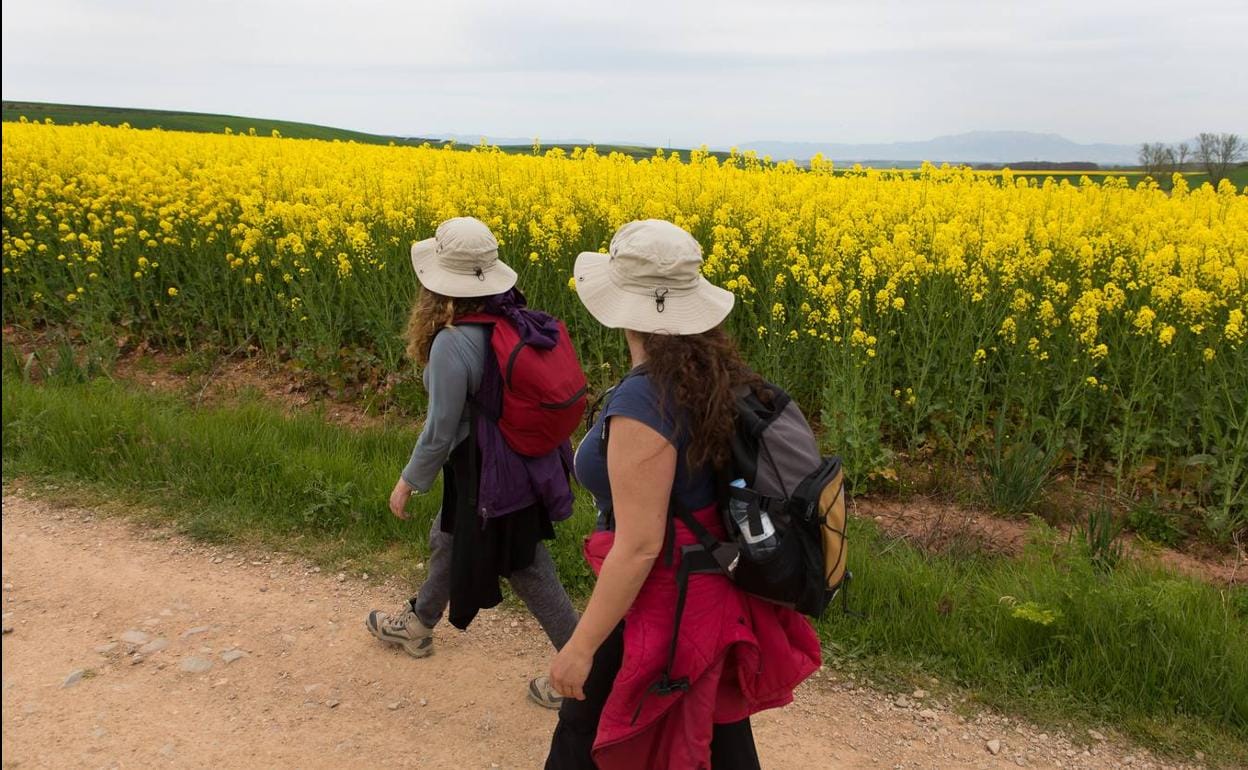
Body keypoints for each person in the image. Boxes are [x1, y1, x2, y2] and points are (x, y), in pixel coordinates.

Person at [544, 220, 822, 769]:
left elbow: (639, 546)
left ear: (626, 305)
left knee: (587, 735)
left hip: (662, 597)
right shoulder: (712, 372)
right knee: (712, 731)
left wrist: (579, 647)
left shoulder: (646, 404)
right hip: (710, 586)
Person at [366, 216, 580, 709]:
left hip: (490, 472)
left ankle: (584, 676)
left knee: (528, 568)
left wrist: (407, 481)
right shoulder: (510, 316)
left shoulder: (452, 343)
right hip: (516, 461)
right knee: (448, 536)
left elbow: (440, 430)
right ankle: (418, 624)